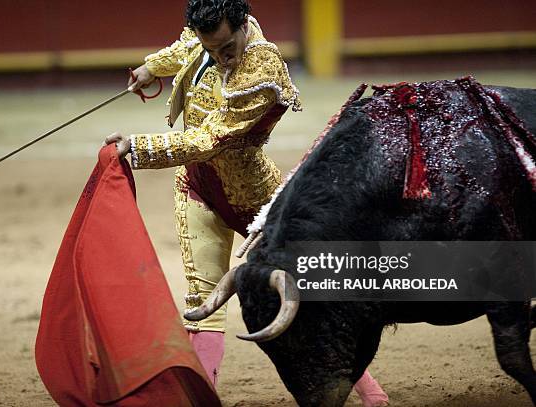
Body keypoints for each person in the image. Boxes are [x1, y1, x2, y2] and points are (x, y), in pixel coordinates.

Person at [106, 1, 388, 405]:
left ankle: (369, 392)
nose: (220, 58)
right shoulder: (209, 33)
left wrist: (140, 146)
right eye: (211, 49)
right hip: (197, 186)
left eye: (226, 48)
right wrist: (152, 67)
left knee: (306, 291)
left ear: (242, 26)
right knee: (204, 301)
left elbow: (210, 140)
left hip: (255, 197)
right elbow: (186, 47)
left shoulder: (261, 66)